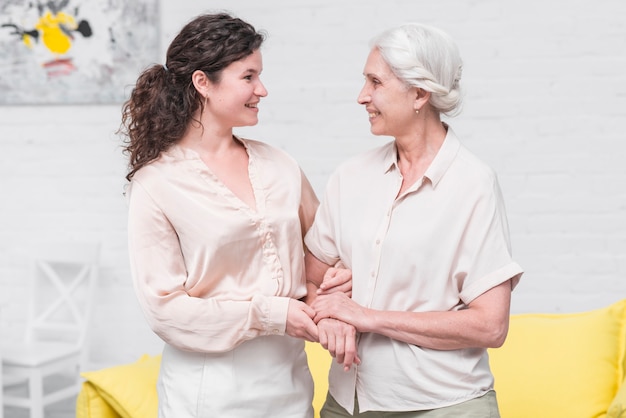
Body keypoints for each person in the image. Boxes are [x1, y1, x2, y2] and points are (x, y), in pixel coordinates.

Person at [120, 13, 346, 418]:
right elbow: (165, 310)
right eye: (248, 77)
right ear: (203, 82)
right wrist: (274, 313)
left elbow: (324, 255)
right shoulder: (156, 183)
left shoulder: (279, 165)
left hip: (290, 386)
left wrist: (332, 294)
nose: (262, 89)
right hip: (208, 394)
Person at [304, 23, 524, 417]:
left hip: (445, 404)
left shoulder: (473, 184)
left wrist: (367, 316)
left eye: (375, 82)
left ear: (420, 93)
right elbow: (309, 277)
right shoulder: (349, 177)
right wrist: (330, 304)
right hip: (347, 403)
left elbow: (491, 326)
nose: (362, 97)